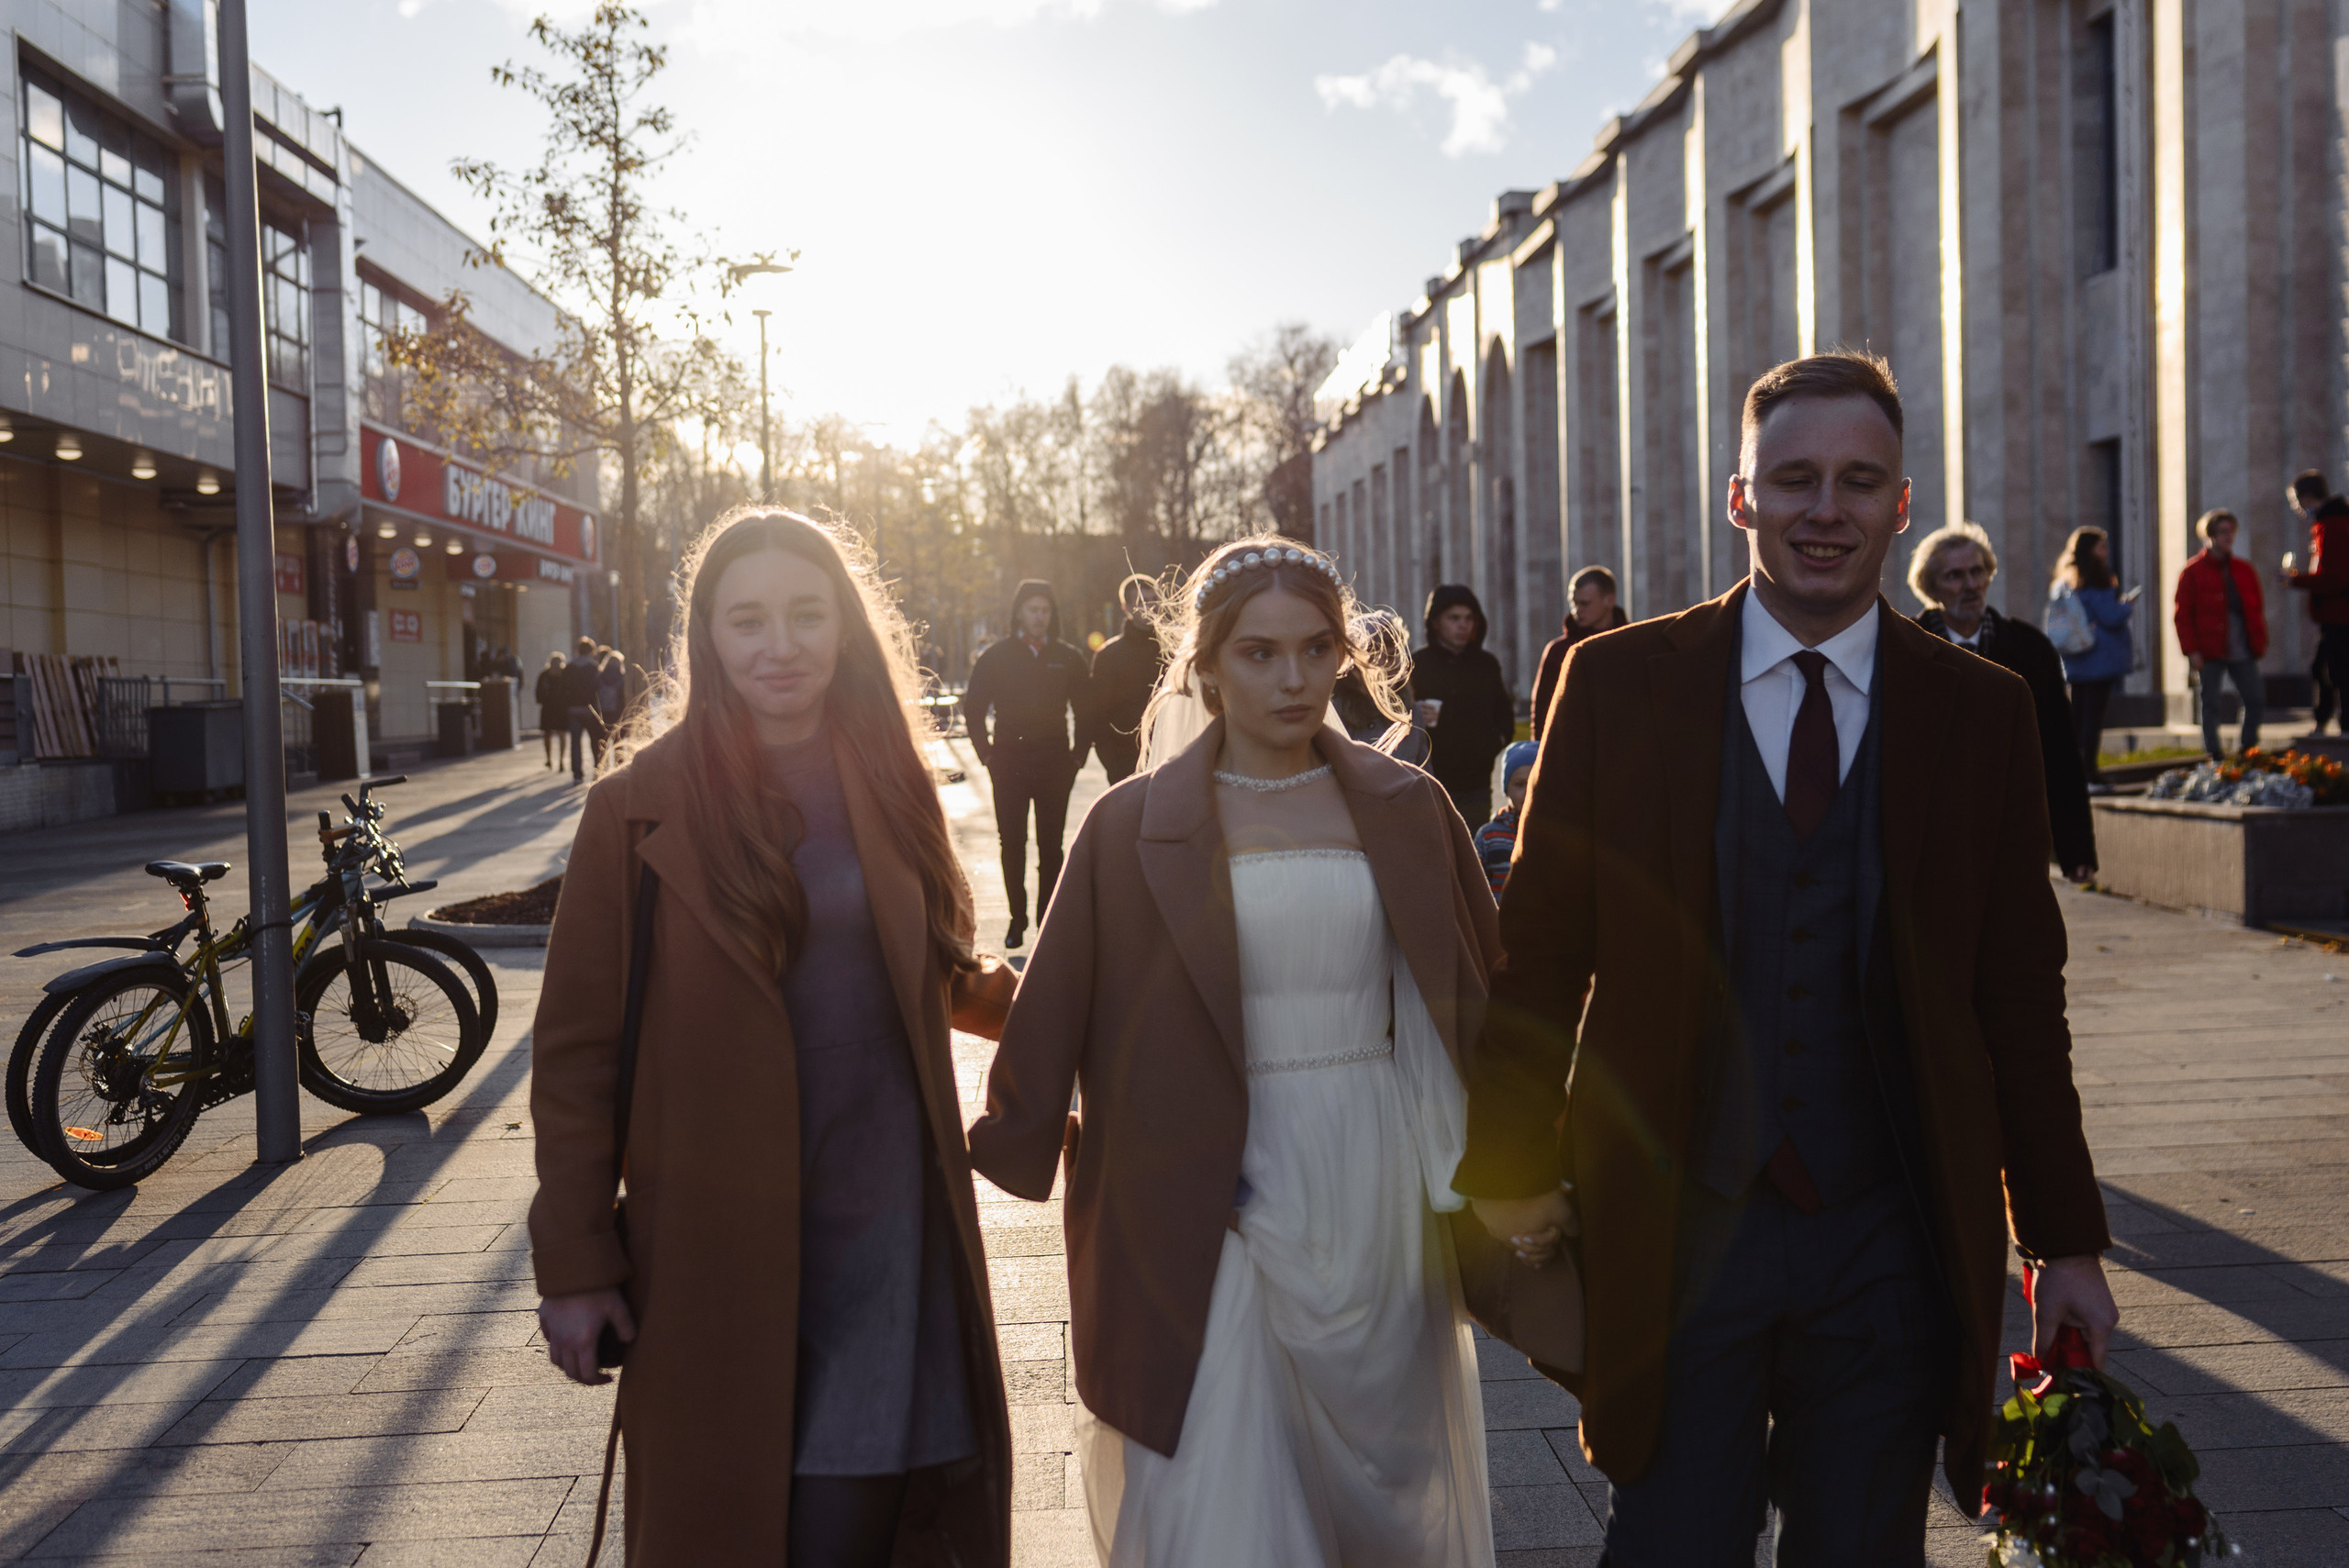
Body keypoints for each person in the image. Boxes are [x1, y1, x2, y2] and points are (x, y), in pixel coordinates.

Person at [1459, 352, 2116, 1565]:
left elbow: (2020, 998)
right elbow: (1541, 949)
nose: (1826, 509)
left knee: (1862, 1547)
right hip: (1674, 1222)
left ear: (1901, 505)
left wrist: (2063, 1239)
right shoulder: (1617, 684)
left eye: (1859, 481)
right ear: (1739, 496)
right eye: (1794, 477)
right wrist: (1508, 1157)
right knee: (1669, 1542)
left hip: (1890, 1233)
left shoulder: (1981, 711)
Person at [970, 536, 1501, 1568]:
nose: (1293, 678)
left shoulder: (1408, 807)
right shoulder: (1127, 826)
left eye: (1315, 649)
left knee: (1387, 1496)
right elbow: (1058, 997)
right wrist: (1004, 1136)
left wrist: (1526, 1165)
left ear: (1344, 655)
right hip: (1198, 1185)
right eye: (1259, 652)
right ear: (1206, 664)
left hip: (1368, 1173)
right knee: (1215, 1486)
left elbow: (1482, 990)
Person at [530, 507, 1019, 1566]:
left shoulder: (891, 778)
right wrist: (574, 1261)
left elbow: (937, 968)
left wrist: (1084, 1014)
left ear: (844, 625)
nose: (779, 644)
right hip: (714, 1238)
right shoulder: (634, 809)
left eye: (807, 613)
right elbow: (574, 1058)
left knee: (855, 1517)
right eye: (747, 619)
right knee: (735, 1514)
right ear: (707, 635)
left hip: (886, 1217)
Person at [1908, 521, 2099, 881]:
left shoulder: (2029, 648)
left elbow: (2059, 747)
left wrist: (2076, 848)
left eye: (1977, 571)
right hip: (1930, 840)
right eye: (1955, 576)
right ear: (1931, 587)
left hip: (2012, 833)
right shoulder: (1906, 650)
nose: (1970, 585)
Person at [962, 580, 1088, 949]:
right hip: (1009, 765)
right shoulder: (996, 657)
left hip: (1055, 765)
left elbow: (1087, 710)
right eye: (1033, 610)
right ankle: (1017, 919)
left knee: (1052, 847)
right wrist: (987, 756)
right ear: (1019, 613)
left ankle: (1046, 921)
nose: (1039, 617)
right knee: (1012, 843)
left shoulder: (1068, 657)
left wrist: (1077, 757)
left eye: (1045, 611)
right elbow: (973, 709)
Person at [1410, 584, 1515, 823]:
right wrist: (1416, 714)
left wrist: (1495, 742)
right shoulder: (1417, 665)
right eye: (1454, 618)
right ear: (1436, 622)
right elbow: (1395, 716)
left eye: (1469, 618)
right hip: (1431, 781)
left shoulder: (1486, 664)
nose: (1462, 625)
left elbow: (1504, 715)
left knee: (1474, 841)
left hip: (1476, 785)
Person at [2050, 526, 2139, 792]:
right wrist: (2126, 605)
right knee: (2093, 719)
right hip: (2099, 658)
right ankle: (2089, 775)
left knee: (2077, 718)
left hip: (2076, 657)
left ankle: (2072, 774)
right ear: (2090, 550)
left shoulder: (2066, 578)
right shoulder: (2099, 578)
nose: (2105, 552)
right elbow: (2111, 617)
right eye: (2101, 547)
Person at [2174, 508, 2267, 758]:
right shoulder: (2193, 571)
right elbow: (2183, 615)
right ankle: (2214, 754)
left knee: (2255, 698)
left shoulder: (2243, 569)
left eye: (2231, 531)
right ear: (2210, 535)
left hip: (2241, 646)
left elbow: (2256, 608)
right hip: (2208, 648)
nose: (2229, 537)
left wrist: (2259, 640)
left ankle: (2248, 749)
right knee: (2210, 702)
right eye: (2223, 532)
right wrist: (2191, 650)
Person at [1530, 566, 1630, 740]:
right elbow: (1542, 710)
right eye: (1573, 603)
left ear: (1609, 600)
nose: (1576, 610)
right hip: (1573, 745)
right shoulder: (1558, 651)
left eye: (1584, 603)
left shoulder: (1630, 643)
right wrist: (1540, 747)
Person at [2285, 468, 2349, 735]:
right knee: (2323, 668)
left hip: (2340, 614)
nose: (2298, 509)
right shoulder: (2330, 523)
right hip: (2333, 615)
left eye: (2296, 502)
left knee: (2335, 671)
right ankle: (2323, 722)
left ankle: (2341, 728)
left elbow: (2335, 577)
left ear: (2308, 497)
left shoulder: (2332, 526)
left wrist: (2295, 580)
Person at [1086, 575, 1163, 784]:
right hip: (1124, 764)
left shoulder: (1174, 652)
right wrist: (1112, 763)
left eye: (1153, 600)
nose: (1149, 607)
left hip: (1169, 759)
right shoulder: (1108, 656)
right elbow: (1098, 715)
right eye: (1141, 602)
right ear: (1126, 607)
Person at [1475, 740, 1539, 897]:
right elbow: (1474, 885)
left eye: (1534, 784)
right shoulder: (1489, 836)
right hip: (1498, 911)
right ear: (1507, 789)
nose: (1528, 792)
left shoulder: (1553, 833)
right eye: (1519, 785)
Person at [562, 636, 604, 784]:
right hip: (590, 708)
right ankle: (598, 769)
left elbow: (563, 688)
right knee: (594, 740)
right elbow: (598, 688)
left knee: (575, 742)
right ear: (591, 651)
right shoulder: (593, 667)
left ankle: (577, 774)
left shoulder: (569, 667)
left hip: (573, 708)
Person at [594, 649, 629, 771]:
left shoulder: (599, 676)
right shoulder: (622, 678)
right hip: (618, 714)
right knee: (618, 744)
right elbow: (624, 697)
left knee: (603, 744)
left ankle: (601, 768)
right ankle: (619, 769)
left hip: (603, 714)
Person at [533, 651, 567, 771]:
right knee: (550, 734)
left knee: (558, 733)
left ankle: (559, 760)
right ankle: (551, 759)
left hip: (558, 708)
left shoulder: (563, 675)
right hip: (551, 707)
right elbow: (538, 691)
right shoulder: (545, 675)